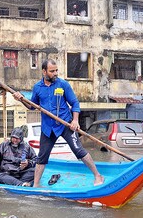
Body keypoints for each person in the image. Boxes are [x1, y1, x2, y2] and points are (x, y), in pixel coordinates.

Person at [13, 58, 104, 187]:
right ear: (44, 72)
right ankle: (36, 185)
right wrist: (21, 99)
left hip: (65, 124)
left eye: (56, 71)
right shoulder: (37, 87)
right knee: (42, 157)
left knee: (79, 151)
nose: (55, 73)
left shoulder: (63, 85)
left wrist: (75, 121)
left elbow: (75, 103)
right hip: (48, 128)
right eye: (52, 71)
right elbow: (32, 106)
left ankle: (98, 176)